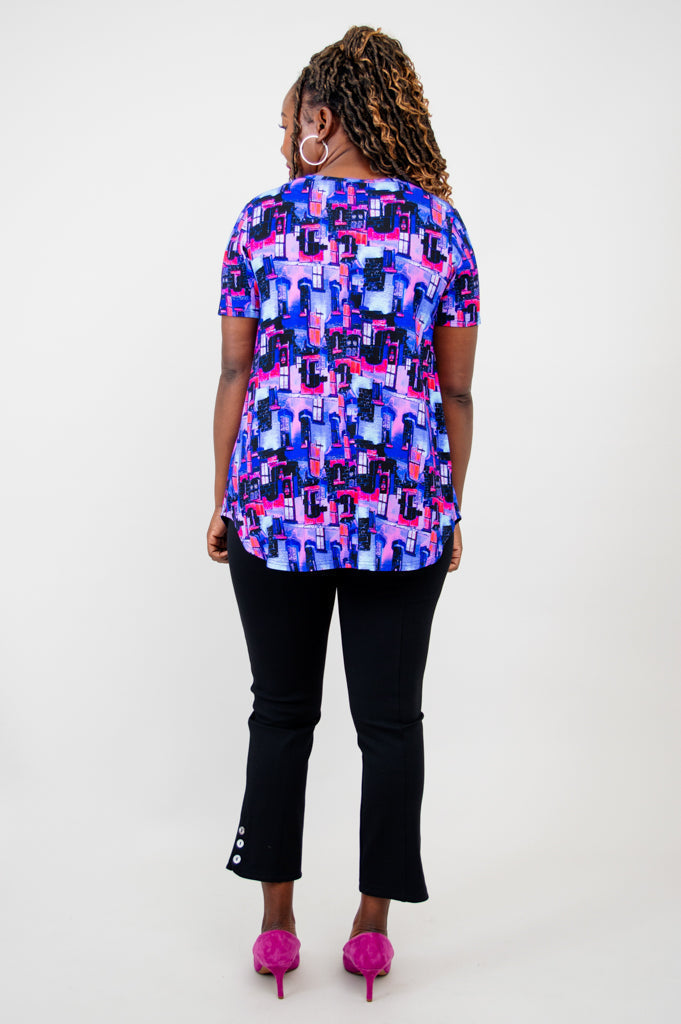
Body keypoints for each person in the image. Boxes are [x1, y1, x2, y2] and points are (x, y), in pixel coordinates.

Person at [206, 24, 480, 1001]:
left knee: (281, 713)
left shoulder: (261, 224)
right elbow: (455, 393)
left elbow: (235, 372)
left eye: (293, 118)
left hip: (274, 509)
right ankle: (371, 927)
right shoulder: (439, 230)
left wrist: (221, 497)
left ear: (324, 116)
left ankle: (276, 925)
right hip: (402, 516)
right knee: (390, 723)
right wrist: (448, 507)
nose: (287, 135)